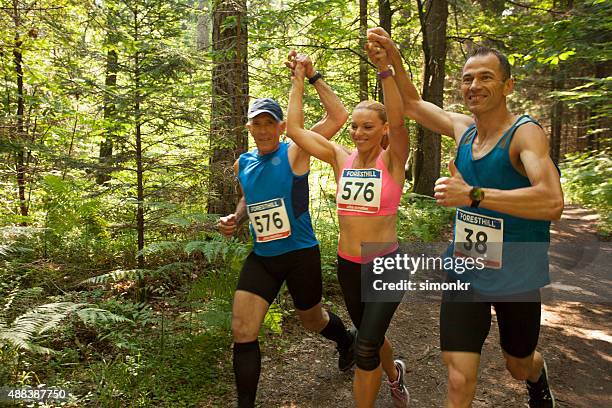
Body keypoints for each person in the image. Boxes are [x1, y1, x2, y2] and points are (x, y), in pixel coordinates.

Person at [367, 28, 563, 408]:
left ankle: (537, 378)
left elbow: (552, 201)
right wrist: (392, 62)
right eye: (468, 78)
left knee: (518, 363)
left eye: (486, 77)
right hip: (466, 269)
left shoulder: (526, 135)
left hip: (517, 276)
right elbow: (412, 104)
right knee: (458, 377)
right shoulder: (463, 130)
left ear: (508, 86)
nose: (474, 85)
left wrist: (473, 195)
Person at [218, 52, 355, 408]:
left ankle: (346, 342)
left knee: (312, 319)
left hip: (299, 255)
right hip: (263, 257)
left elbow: (339, 118)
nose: (263, 130)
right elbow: (249, 199)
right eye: (256, 124)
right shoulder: (243, 162)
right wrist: (236, 218)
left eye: (270, 124)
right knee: (242, 331)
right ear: (248, 128)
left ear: (280, 126)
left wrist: (309, 77)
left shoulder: (296, 150)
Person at [286, 44, 410, 408]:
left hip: (385, 264)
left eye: (367, 127)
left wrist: (386, 69)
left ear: (384, 129)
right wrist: (303, 77)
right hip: (348, 266)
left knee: (366, 344)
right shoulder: (341, 158)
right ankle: (395, 375)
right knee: (374, 336)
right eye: (354, 127)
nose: (357, 133)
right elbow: (294, 129)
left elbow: (402, 121)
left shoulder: (394, 160)